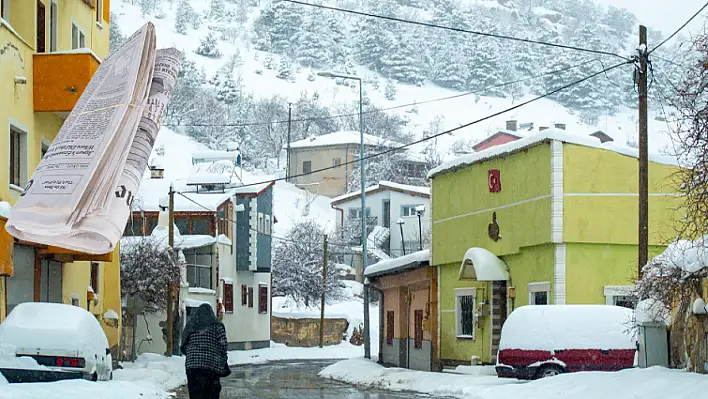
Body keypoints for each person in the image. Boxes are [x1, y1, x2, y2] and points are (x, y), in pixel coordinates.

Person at [180, 303, 230, 399]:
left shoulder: (191, 325)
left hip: (192, 367)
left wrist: (191, 354)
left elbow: (184, 344)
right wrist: (221, 358)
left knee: (196, 394)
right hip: (211, 367)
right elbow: (223, 344)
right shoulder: (216, 325)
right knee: (211, 393)